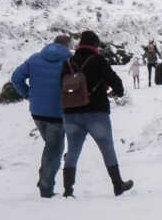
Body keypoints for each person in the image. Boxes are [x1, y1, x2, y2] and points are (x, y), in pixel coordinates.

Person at [60, 31, 134, 197]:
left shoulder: (68, 63)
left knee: (72, 150)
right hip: (96, 112)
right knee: (107, 148)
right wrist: (118, 92)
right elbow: (115, 81)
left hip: (70, 113)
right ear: (95, 44)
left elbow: (61, 85)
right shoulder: (98, 60)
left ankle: (67, 190)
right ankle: (118, 185)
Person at [11, 34, 73, 197]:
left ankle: (44, 177)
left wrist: (28, 95)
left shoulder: (35, 58)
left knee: (51, 146)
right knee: (54, 149)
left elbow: (16, 78)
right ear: (67, 46)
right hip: (58, 112)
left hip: (37, 111)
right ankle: (46, 187)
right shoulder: (69, 60)